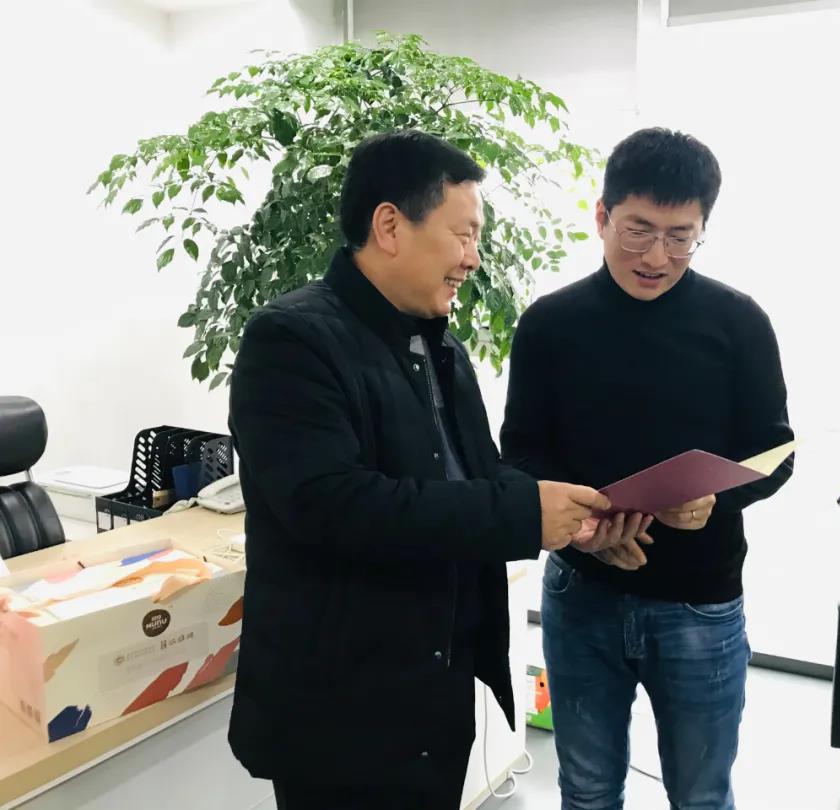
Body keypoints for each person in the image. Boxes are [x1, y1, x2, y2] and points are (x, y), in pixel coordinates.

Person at [227, 130, 611, 809]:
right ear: (389, 226)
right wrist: (524, 514)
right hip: (341, 715)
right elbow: (334, 505)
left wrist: (575, 516)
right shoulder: (290, 339)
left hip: (433, 696)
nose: (474, 258)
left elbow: (476, 477)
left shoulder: (440, 346)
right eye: (463, 234)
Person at [501, 127, 796, 810]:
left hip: (700, 599)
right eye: (638, 230)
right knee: (587, 788)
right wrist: (578, 530)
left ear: (702, 230)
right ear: (602, 216)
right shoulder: (549, 325)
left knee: (701, 794)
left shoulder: (739, 322)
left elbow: (774, 452)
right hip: (581, 593)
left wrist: (716, 501)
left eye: (680, 236)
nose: (657, 257)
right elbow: (519, 455)